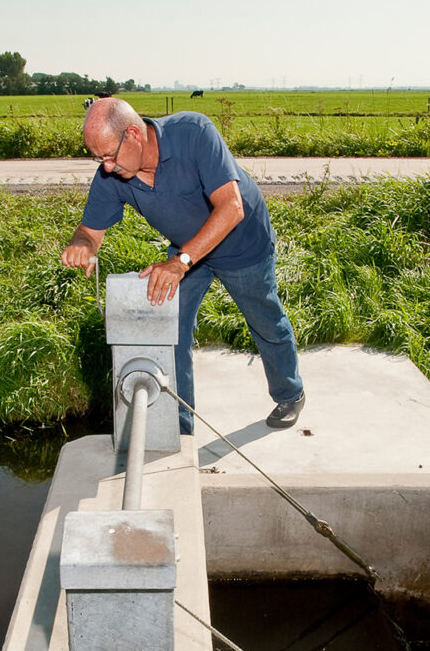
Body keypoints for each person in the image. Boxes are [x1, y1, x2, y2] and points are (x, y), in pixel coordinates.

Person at [58, 98, 305, 431]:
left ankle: (290, 394)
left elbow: (231, 207)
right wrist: (81, 246)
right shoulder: (112, 176)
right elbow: (89, 231)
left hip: (241, 241)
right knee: (170, 333)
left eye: (109, 156)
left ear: (133, 134)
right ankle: (180, 426)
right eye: (98, 158)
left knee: (266, 322)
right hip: (186, 250)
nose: (105, 167)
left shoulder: (193, 132)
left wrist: (180, 262)